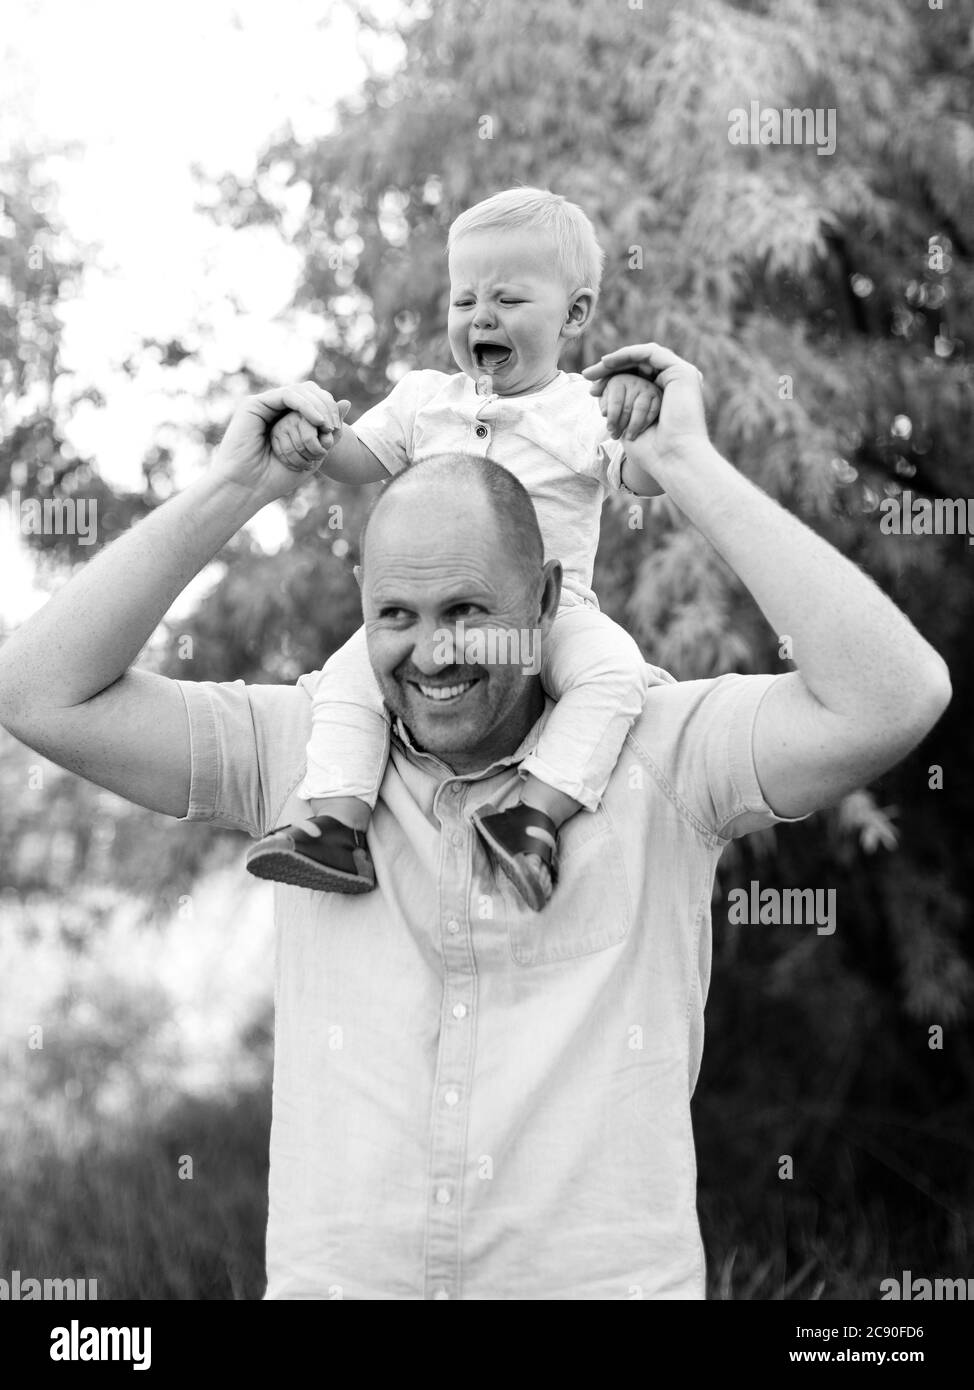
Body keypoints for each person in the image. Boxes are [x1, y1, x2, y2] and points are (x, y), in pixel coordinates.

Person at [0, 343, 950, 1299]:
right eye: (396, 615)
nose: (432, 653)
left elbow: (894, 697)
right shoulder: (305, 755)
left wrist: (686, 466)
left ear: (546, 601)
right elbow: (38, 691)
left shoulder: (661, 752)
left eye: (467, 610)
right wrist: (234, 489)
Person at [245, 187, 666, 910]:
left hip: (547, 617)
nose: (482, 317)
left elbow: (647, 475)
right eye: (464, 300)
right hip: (431, 618)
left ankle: (531, 815)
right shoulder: (423, 400)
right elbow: (357, 457)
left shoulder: (583, 410)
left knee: (615, 672)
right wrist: (309, 431)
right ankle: (336, 825)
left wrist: (651, 413)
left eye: (508, 299)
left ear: (574, 314)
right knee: (349, 676)